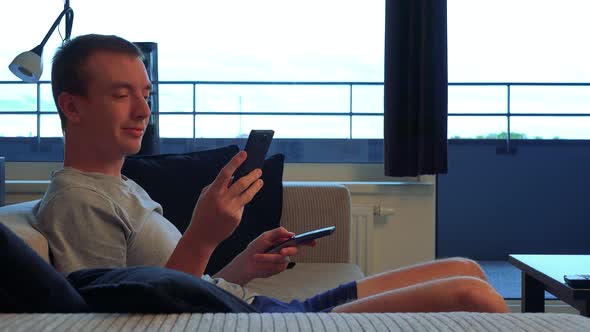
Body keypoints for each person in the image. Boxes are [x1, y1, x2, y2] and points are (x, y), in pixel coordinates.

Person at [34, 33, 509, 313]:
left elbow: (173, 285)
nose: (144, 111)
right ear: (72, 106)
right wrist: (201, 235)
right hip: (255, 320)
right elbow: (115, 318)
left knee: (465, 268)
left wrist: (242, 263)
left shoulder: (123, 185)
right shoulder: (77, 202)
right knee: (471, 294)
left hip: (249, 305)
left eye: (147, 94)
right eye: (122, 95)